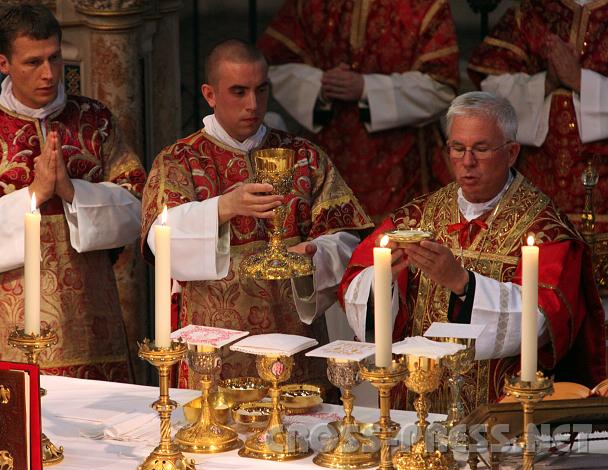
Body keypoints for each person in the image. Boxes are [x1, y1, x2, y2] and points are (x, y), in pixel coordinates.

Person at [338, 92, 606, 412]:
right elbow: (354, 281)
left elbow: (544, 320)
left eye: (481, 148)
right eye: (458, 148)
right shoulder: (416, 218)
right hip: (420, 403)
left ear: (511, 152)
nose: (467, 162)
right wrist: (384, 277)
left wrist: (463, 283)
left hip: (503, 412)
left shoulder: (544, 230)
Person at [0, 5, 145, 382]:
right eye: (33, 62)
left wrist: (73, 192)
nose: (48, 74)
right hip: (4, 335)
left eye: (55, 58)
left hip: (91, 331)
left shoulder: (95, 121)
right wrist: (34, 194)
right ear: (3, 63)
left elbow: (140, 206)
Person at [140, 39, 372, 389]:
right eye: (238, 91)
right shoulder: (180, 161)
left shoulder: (304, 155)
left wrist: (318, 254)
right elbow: (160, 241)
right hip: (216, 351)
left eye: (261, 91)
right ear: (210, 94)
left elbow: (347, 237)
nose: (252, 105)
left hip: (295, 341)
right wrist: (223, 207)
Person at [257, 0, 459, 220]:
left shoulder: (422, 6)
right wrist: (319, 85)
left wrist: (367, 88)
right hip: (328, 150)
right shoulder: (310, 4)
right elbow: (274, 62)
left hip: (403, 160)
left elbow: (442, 84)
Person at [467, 1, 608, 270]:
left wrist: (580, 81)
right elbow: (490, 91)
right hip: (539, 185)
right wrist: (547, 82)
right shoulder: (532, 12)